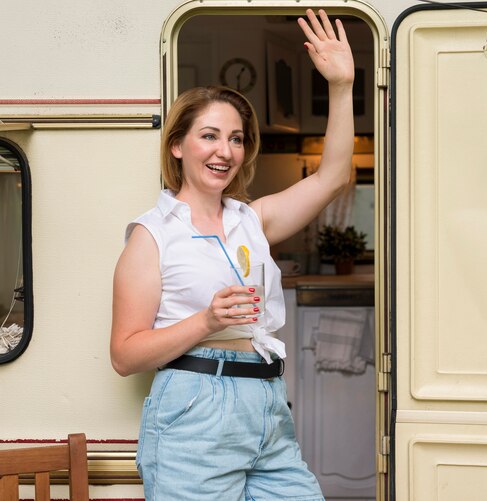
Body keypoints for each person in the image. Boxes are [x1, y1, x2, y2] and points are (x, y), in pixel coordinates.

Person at [110, 8, 354, 500]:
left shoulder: (252, 219)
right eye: (210, 135)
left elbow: (332, 177)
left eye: (236, 138)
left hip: (265, 402)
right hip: (193, 409)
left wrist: (343, 86)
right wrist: (206, 321)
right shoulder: (152, 235)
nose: (225, 150)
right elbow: (124, 354)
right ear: (177, 145)